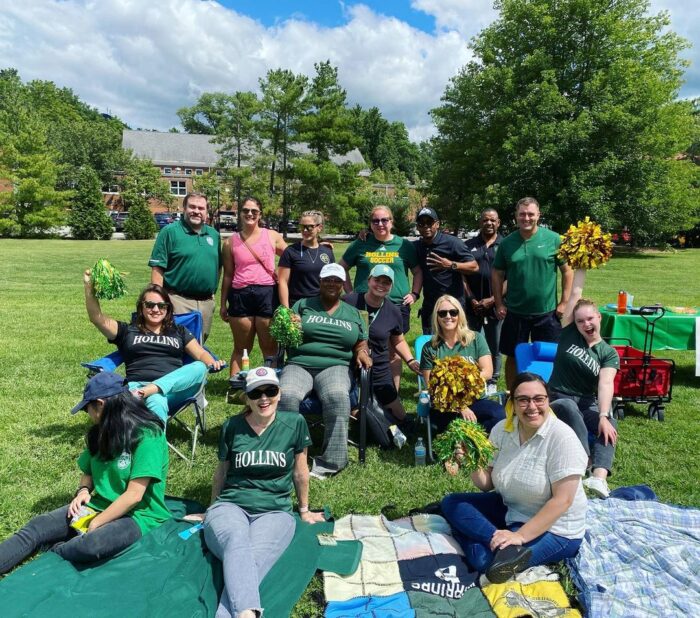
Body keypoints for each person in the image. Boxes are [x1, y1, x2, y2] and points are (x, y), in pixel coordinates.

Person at [186, 367, 324, 618]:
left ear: (279, 394)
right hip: (230, 506)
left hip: (275, 511)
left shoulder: (295, 424)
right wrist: (210, 509)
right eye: (256, 393)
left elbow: (301, 473)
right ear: (246, 398)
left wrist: (304, 511)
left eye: (270, 391)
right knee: (237, 541)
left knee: (254, 558)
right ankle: (248, 613)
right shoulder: (233, 426)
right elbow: (221, 473)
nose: (264, 398)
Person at [0, 371, 170, 574]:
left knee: (93, 544)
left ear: (100, 405)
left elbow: (134, 496)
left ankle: (59, 550)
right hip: (98, 505)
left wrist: (96, 522)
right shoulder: (101, 432)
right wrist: (83, 491)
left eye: (87, 408)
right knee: (38, 526)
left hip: (140, 515)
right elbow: (88, 470)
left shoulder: (148, 435)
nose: (87, 415)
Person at [440, 372, 588, 583]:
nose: (532, 406)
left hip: (556, 528)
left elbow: (562, 501)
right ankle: (498, 542)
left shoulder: (562, 438)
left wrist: (519, 536)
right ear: (513, 403)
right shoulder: (502, 430)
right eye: (523, 400)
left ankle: (473, 534)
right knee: (452, 502)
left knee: (486, 563)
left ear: (548, 401)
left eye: (539, 399)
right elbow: (487, 484)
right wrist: (473, 461)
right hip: (513, 508)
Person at [84, 273, 223, 422]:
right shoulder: (128, 330)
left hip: (172, 389)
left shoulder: (179, 331)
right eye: (150, 305)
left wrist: (211, 362)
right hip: (135, 388)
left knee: (199, 367)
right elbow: (96, 318)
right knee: (157, 400)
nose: (156, 309)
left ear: (168, 308)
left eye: (161, 305)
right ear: (141, 307)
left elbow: (201, 354)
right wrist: (88, 286)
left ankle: (152, 389)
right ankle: (155, 443)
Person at [279, 263, 372, 480]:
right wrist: (289, 325)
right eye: (327, 279)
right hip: (299, 363)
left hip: (335, 365)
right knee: (286, 395)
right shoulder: (303, 305)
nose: (332, 284)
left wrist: (362, 352)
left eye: (337, 281)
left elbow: (361, 342)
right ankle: (285, 456)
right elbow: (282, 336)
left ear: (342, 285)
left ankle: (331, 462)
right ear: (320, 282)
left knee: (338, 397)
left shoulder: (352, 313)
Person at [548, 269, 620, 498]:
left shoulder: (608, 353)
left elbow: (606, 383)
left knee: (609, 423)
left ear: (599, 317)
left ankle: (598, 478)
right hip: (557, 397)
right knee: (569, 408)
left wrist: (603, 416)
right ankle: (583, 460)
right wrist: (582, 264)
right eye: (581, 321)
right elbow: (575, 292)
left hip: (587, 400)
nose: (586, 324)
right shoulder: (569, 333)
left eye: (590, 318)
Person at [493, 197, 573, 390]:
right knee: (512, 355)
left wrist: (564, 303)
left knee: (549, 355)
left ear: (538, 215)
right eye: (522, 214)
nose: (526, 218)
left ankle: (548, 394)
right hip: (515, 311)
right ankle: (514, 394)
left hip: (546, 313)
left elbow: (567, 271)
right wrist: (498, 303)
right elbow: (497, 274)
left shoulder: (554, 239)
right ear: (516, 217)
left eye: (530, 214)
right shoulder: (507, 243)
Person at [340, 205, 422, 390]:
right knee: (360, 347)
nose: (380, 224)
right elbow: (342, 267)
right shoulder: (361, 243)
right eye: (375, 220)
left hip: (395, 305)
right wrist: (350, 292)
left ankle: (391, 393)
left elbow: (417, 271)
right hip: (363, 305)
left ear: (392, 222)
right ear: (370, 224)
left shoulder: (404, 245)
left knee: (392, 351)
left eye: (384, 220)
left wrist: (415, 294)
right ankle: (359, 392)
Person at [343, 264, 421, 424]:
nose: (381, 285)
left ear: (391, 286)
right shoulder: (349, 301)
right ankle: (358, 413)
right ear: (368, 280)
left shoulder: (393, 310)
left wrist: (411, 360)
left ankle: (373, 415)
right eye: (377, 280)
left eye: (386, 282)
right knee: (353, 412)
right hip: (347, 362)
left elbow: (398, 340)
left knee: (400, 416)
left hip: (378, 363)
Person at [220, 196, 287, 376]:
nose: (250, 214)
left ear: (260, 214)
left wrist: (317, 246)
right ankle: (236, 388)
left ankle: (271, 385)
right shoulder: (229, 242)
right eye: (246, 210)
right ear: (240, 213)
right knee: (242, 349)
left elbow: (292, 256)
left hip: (267, 293)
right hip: (240, 295)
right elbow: (228, 275)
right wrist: (223, 304)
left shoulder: (272, 236)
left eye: (254, 211)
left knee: (269, 348)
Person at [419, 295, 505, 433]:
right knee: (439, 426)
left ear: (460, 315)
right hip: (445, 404)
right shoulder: (429, 348)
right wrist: (460, 406)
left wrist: (458, 381)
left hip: (476, 400)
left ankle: (483, 446)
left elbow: (487, 372)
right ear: (437, 317)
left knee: (499, 415)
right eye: (442, 313)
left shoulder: (476, 338)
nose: (448, 316)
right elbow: (431, 385)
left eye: (453, 312)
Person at [149, 192, 221, 341]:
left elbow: (218, 266)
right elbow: (157, 269)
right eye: (192, 207)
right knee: (175, 344)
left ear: (206, 212)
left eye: (201, 208)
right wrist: (159, 300)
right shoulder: (170, 232)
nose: (196, 211)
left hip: (206, 303)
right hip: (177, 300)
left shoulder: (214, 235)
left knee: (199, 347)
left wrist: (213, 293)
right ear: (184, 208)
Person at [413, 206, 478, 334]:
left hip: (453, 305)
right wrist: (366, 234)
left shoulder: (453, 243)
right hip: (430, 306)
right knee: (432, 345)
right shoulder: (417, 246)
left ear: (437, 224)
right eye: (422, 223)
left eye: (430, 222)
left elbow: (474, 266)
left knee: (456, 344)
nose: (426, 226)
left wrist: (451, 265)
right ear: (418, 226)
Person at [464, 208, 504, 383]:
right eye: (485, 220)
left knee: (494, 344)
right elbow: (462, 274)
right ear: (480, 222)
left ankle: (493, 379)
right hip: (471, 305)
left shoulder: (505, 244)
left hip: (496, 304)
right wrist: (471, 298)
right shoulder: (468, 244)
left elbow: (510, 277)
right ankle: (471, 376)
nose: (489, 223)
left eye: (493, 220)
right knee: (470, 341)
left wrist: (493, 299)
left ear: (498, 222)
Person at [278, 210, 335, 308]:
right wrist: (286, 310)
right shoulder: (290, 251)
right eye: (302, 227)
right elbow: (282, 282)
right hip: (297, 305)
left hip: (320, 305)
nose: (305, 230)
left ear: (319, 227)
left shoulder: (327, 252)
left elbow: (331, 281)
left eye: (309, 227)